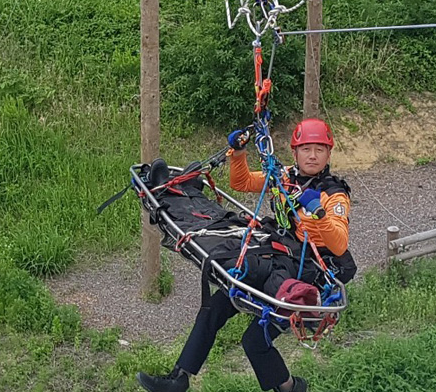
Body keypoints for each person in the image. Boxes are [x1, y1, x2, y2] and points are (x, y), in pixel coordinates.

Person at [136, 118, 356, 392]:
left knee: (254, 341)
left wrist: (318, 212)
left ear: (329, 154)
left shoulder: (333, 195)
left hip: (308, 272)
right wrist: (239, 153)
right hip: (280, 257)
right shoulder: (286, 177)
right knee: (215, 308)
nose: (312, 155)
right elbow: (241, 182)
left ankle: (291, 388)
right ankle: (179, 378)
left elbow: (339, 245)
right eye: (306, 149)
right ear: (295, 152)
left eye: (319, 150)